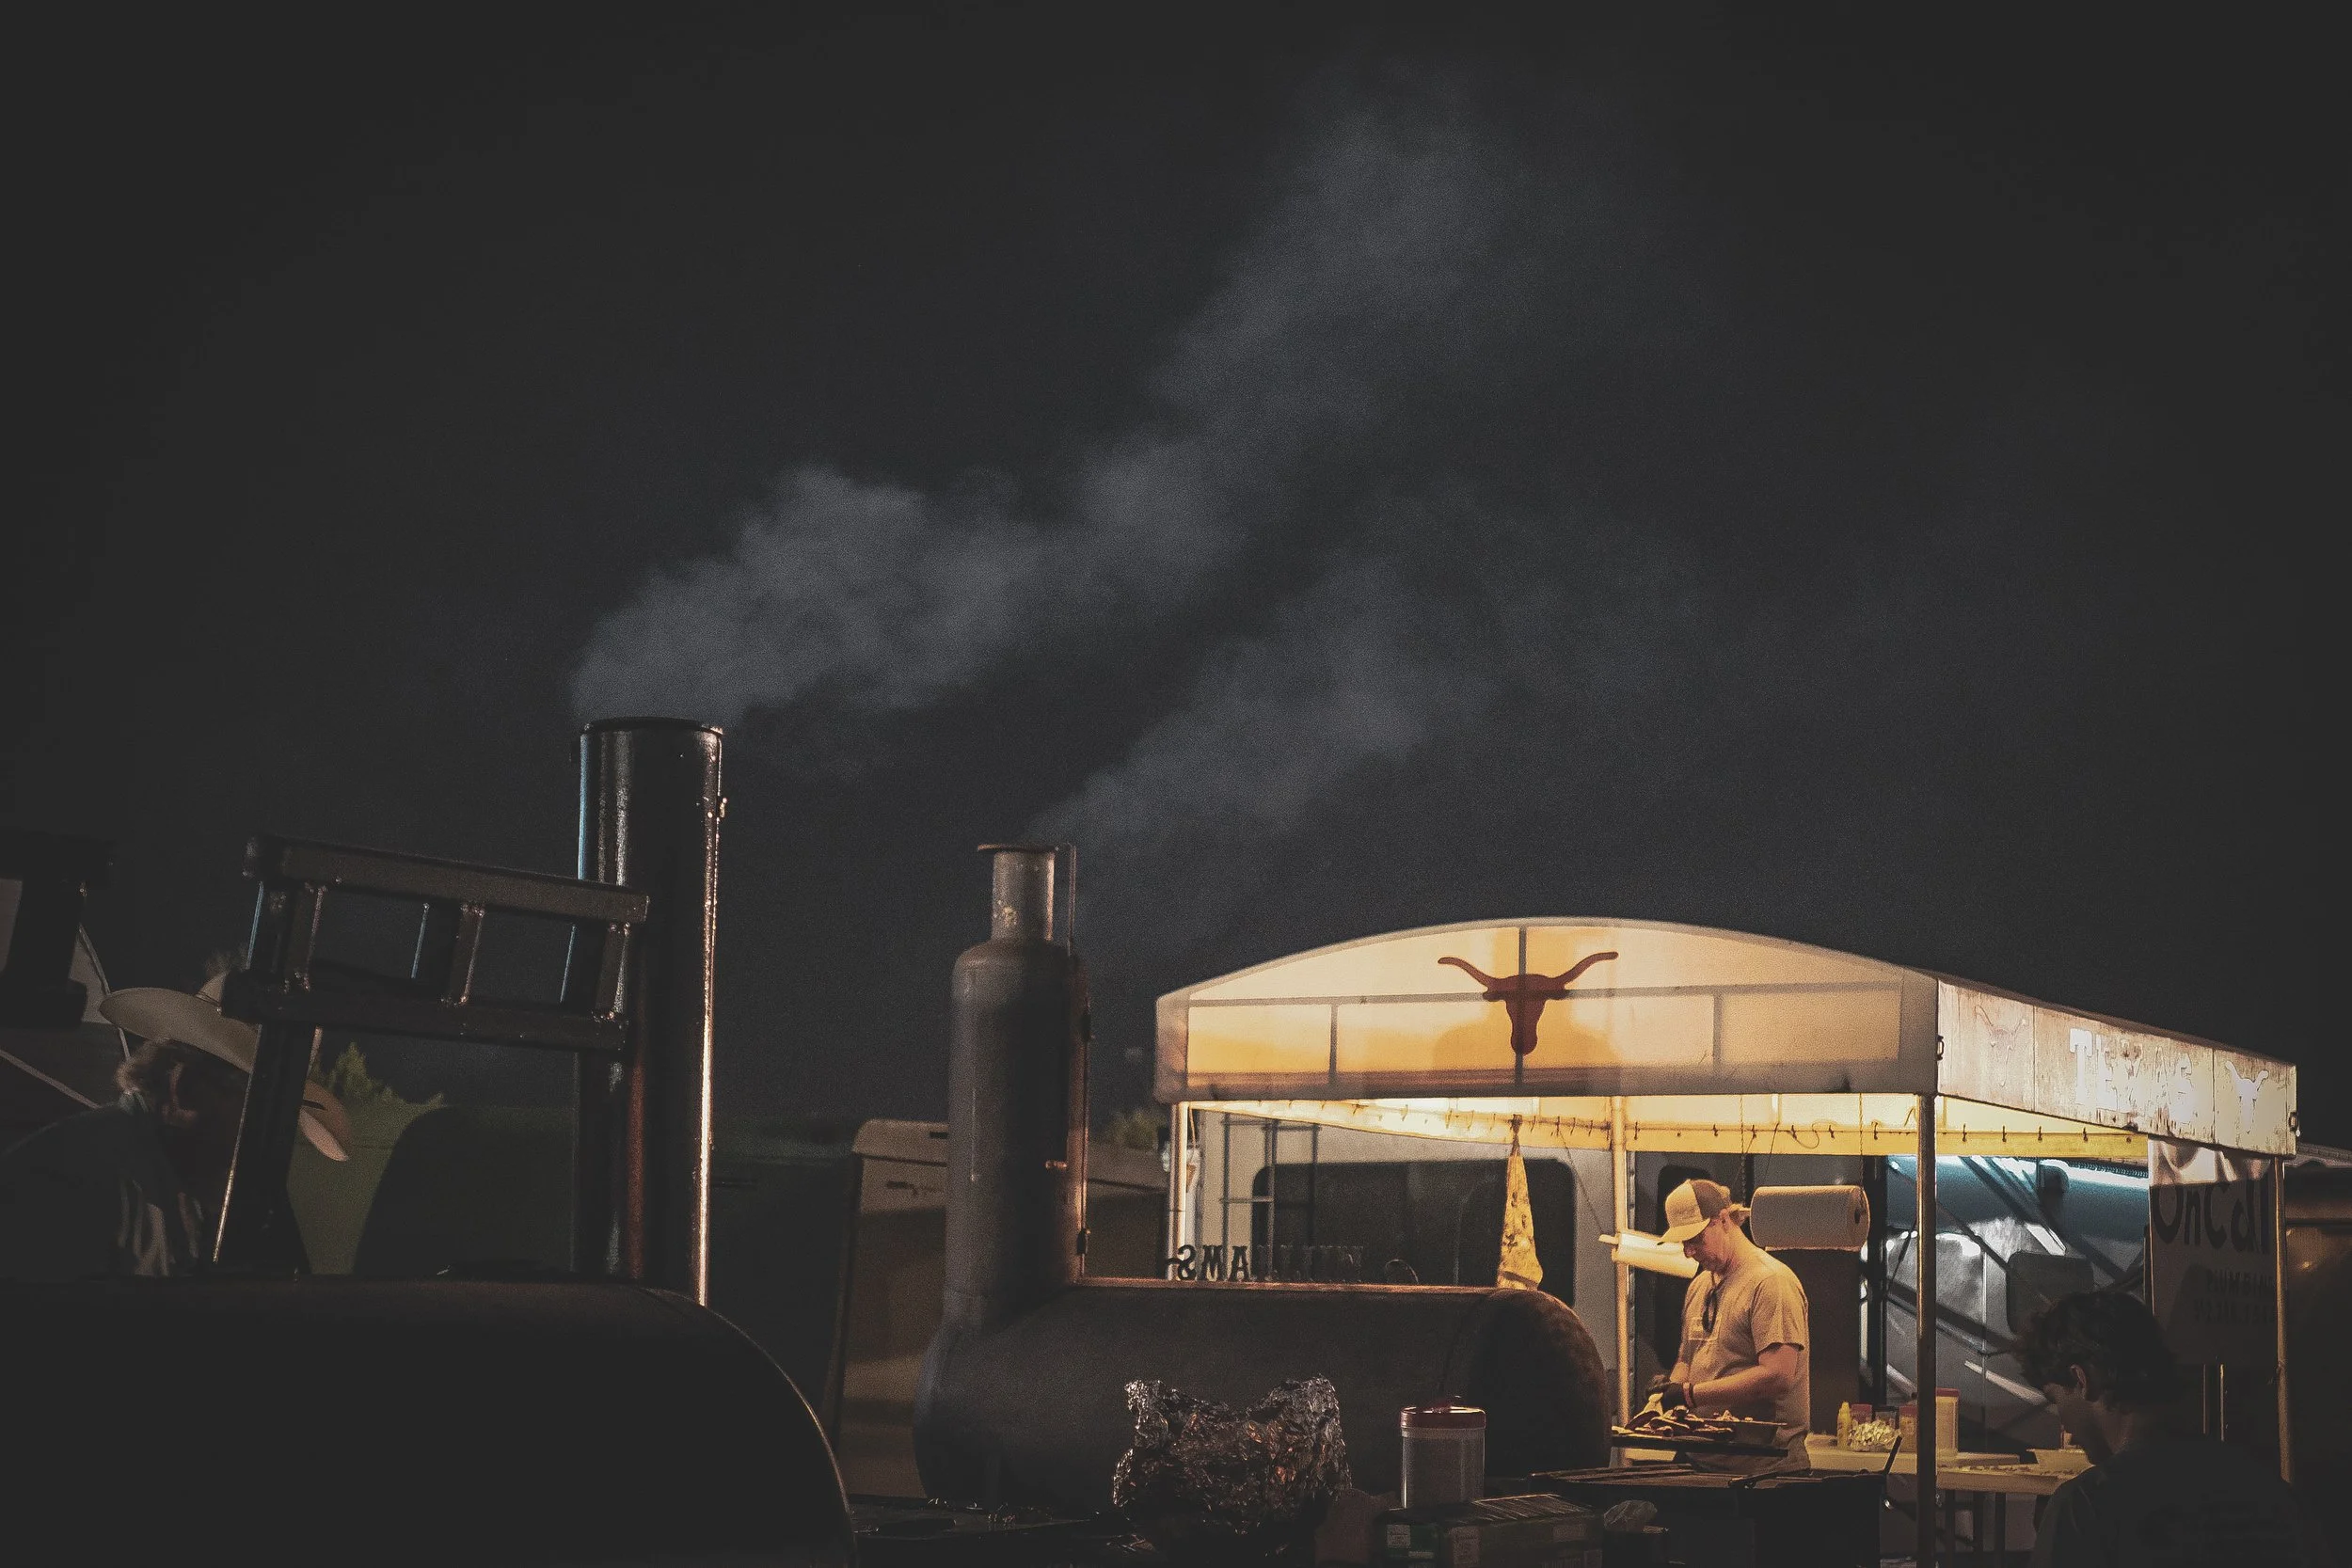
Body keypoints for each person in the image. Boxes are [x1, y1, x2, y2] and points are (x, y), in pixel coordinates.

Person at [0, 971, 348, 1280]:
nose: (271, 1143)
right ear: (185, 1091)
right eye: (257, 1109)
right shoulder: (71, 1187)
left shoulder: (178, 1180)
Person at [2017, 1290, 2328, 1567]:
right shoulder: (2270, 1492)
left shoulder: (2085, 1509)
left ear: (2084, 1380)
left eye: (2057, 1400)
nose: (2065, 1424)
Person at [1647, 1178, 1811, 1460]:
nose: (1689, 1252)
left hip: (1761, 1468)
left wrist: (1691, 1394)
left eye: (1696, 1239)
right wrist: (1669, 1391)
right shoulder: (1699, 1287)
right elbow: (1687, 1359)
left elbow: (1778, 1375)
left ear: (1724, 1220)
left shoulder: (1770, 1281)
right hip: (1703, 1459)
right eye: (1685, 1243)